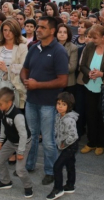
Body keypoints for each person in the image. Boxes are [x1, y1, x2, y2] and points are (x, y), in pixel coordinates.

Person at [21, 16, 69, 185]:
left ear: (52, 30)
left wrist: (37, 85)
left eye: (42, 27)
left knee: (48, 141)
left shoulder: (59, 51)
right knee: (31, 136)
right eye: (37, 27)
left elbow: (63, 81)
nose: (38, 29)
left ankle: (51, 171)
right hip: (31, 100)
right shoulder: (34, 48)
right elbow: (24, 69)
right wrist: (25, 81)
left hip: (49, 103)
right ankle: (29, 164)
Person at [79, 25, 104, 156]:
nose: (92, 40)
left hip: (103, 89)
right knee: (90, 115)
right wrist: (88, 73)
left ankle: (101, 143)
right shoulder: (89, 47)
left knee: (102, 116)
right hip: (89, 86)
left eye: (94, 37)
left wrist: (102, 74)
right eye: (90, 37)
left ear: (103, 37)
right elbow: (82, 65)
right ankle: (91, 142)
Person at [0, 19, 28, 137]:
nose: (7, 33)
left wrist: (7, 69)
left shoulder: (22, 46)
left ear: (16, 32)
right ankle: (2, 145)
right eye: (5, 30)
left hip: (12, 86)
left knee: (11, 119)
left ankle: (12, 148)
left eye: (10, 30)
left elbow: (25, 67)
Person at [0, 87, 33, 198]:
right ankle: (6, 182)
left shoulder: (17, 116)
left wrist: (20, 152)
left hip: (23, 143)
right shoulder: (3, 111)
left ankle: (28, 187)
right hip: (11, 141)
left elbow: (23, 135)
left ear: (9, 103)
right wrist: (1, 141)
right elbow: (4, 126)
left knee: (19, 169)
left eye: (0, 104)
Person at [47, 92, 79, 200]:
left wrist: (63, 143)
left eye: (63, 104)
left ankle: (58, 188)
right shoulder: (58, 116)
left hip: (70, 146)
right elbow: (56, 129)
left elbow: (74, 136)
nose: (60, 106)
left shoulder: (68, 120)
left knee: (57, 166)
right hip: (64, 144)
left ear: (69, 106)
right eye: (58, 103)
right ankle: (70, 185)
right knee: (70, 165)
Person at [56, 24, 78, 94]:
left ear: (68, 34)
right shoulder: (51, 46)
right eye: (60, 32)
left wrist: (54, 66)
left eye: (65, 32)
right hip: (53, 81)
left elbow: (72, 67)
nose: (62, 34)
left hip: (68, 83)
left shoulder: (73, 48)